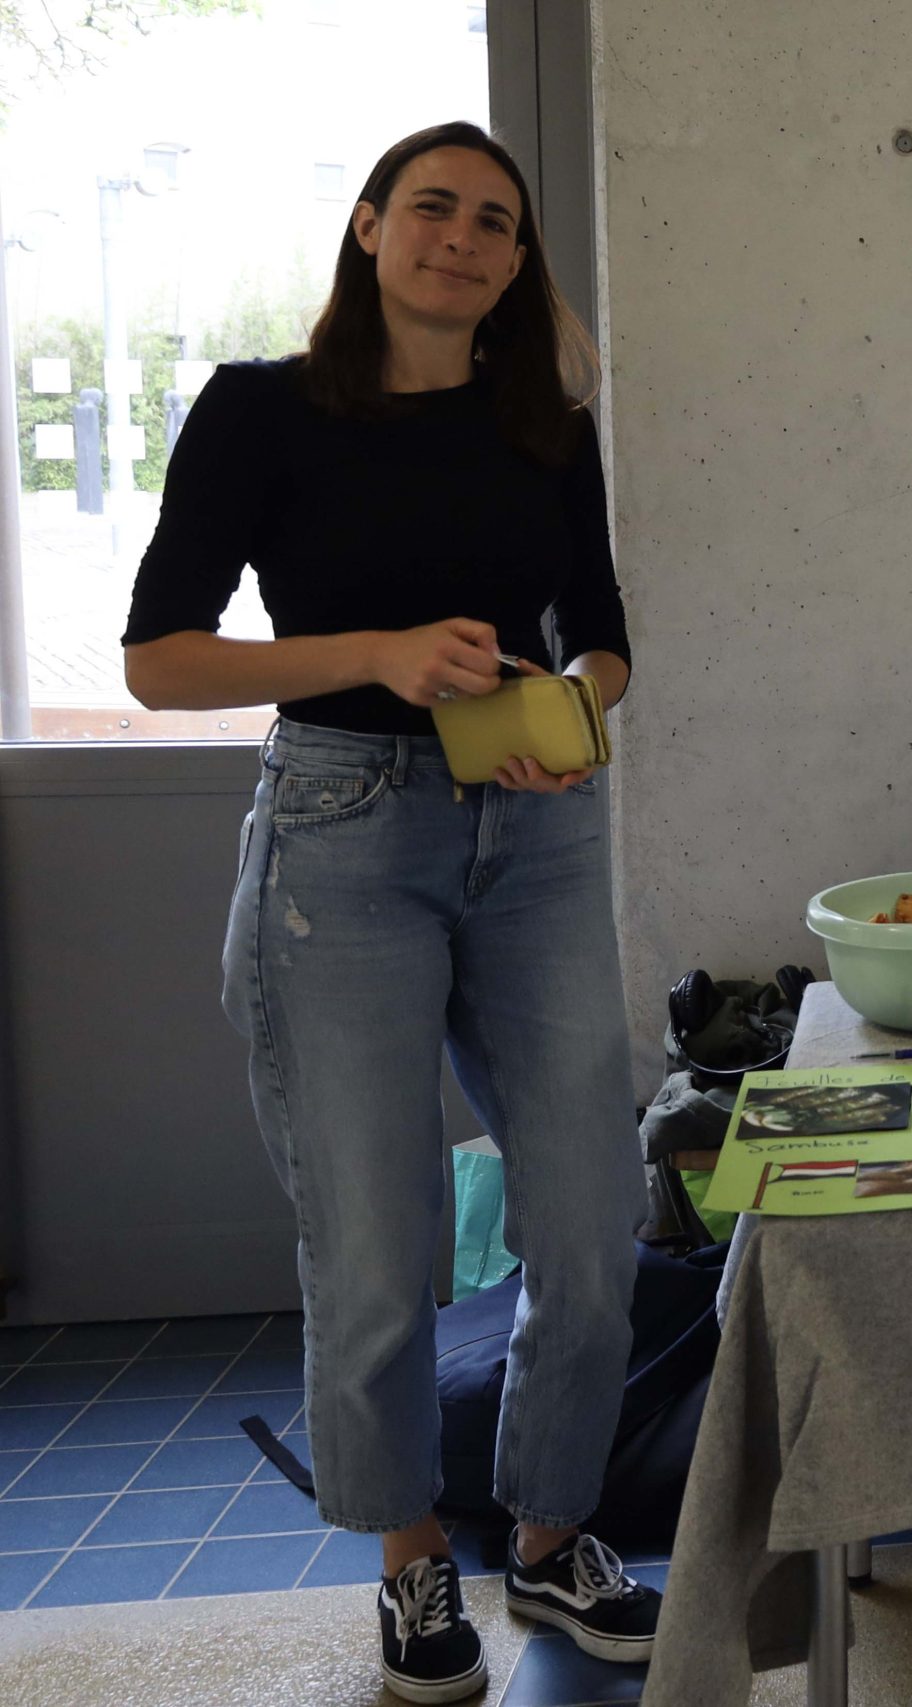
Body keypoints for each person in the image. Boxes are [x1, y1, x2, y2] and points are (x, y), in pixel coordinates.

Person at [121, 122, 660, 1700]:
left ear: (517, 261)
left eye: (495, 221)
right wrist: (376, 653)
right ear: (367, 227)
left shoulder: (544, 421)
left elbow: (602, 626)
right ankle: (413, 1557)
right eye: (432, 207)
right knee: (373, 1239)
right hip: (342, 832)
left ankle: (552, 1532)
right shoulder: (262, 409)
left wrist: (576, 708)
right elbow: (161, 658)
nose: (462, 237)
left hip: (537, 828)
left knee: (592, 1218)